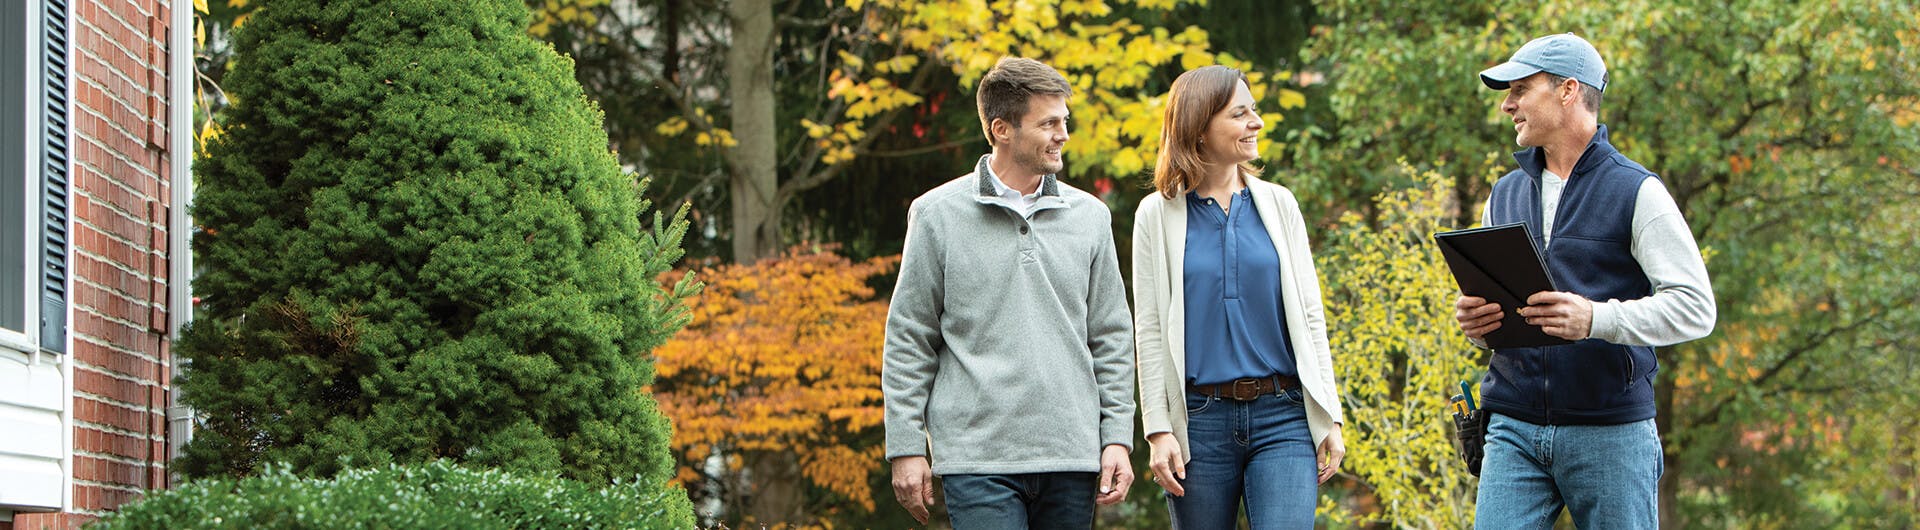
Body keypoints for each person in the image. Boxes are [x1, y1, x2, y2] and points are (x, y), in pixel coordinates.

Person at [1459, 33, 1717, 528]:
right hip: (1511, 423)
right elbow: (1492, 319)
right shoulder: (1504, 194)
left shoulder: (1638, 191)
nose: (1507, 105)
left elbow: (1696, 308)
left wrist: (1596, 318)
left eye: (1520, 89)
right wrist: (1476, 323)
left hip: (1610, 431)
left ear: (1568, 90)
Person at [881, 56, 1136, 529]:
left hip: (1071, 455)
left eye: (1065, 121)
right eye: (1049, 123)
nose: (1063, 134)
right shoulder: (937, 215)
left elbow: (1112, 337)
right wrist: (906, 446)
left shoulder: (1091, 217)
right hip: (977, 458)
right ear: (1001, 129)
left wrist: (1117, 437)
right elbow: (909, 338)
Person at [1131, 65, 1347, 529]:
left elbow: (1311, 316)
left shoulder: (1279, 203)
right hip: (1199, 422)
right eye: (1240, 114)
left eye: (1255, 111)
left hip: (1283, 414)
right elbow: (1148, 328)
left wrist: (1330, 414)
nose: (1257, 123)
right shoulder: (1156, 214)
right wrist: (1158, 428)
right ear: (1200, 128)